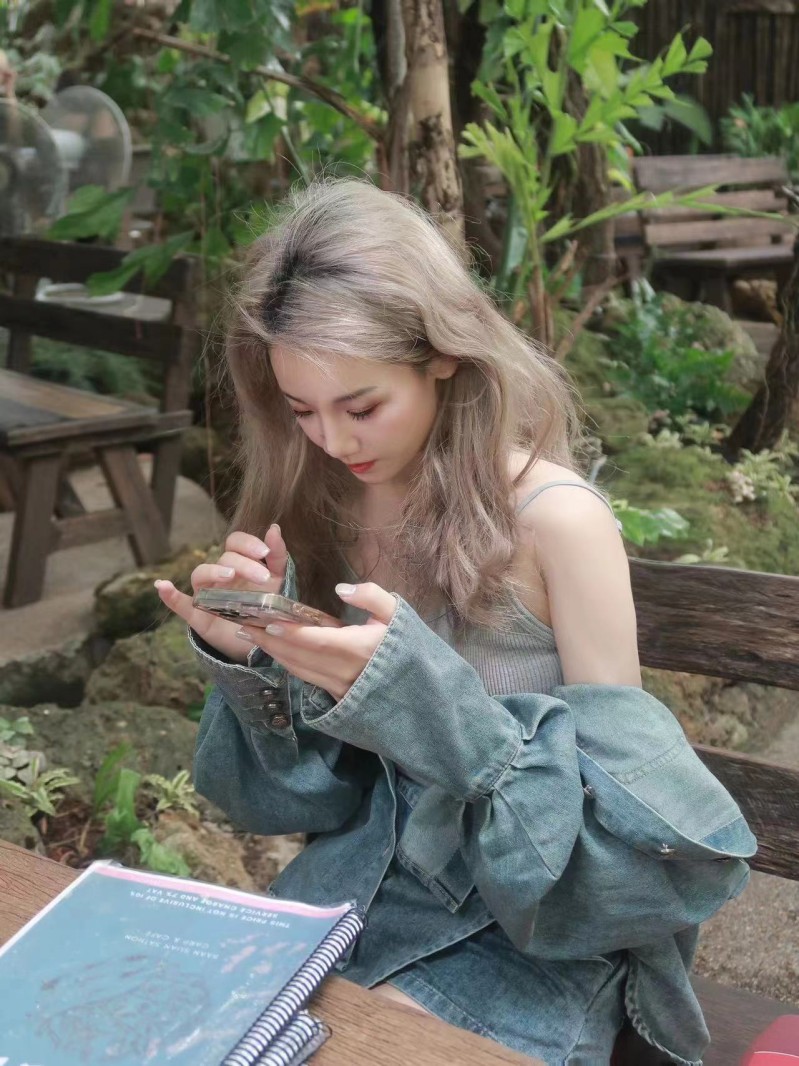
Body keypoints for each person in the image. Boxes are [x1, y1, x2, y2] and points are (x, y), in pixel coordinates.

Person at [156, 177, 755, 1065]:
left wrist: (416, 700)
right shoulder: (326, 506)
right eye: (302, 411)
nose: (334, 442)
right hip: (358, 896)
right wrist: (254, 668)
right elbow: (297, 804)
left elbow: (627, 843)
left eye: (362, 406)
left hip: (533, 937)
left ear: (442, 354)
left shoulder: (555, 521)